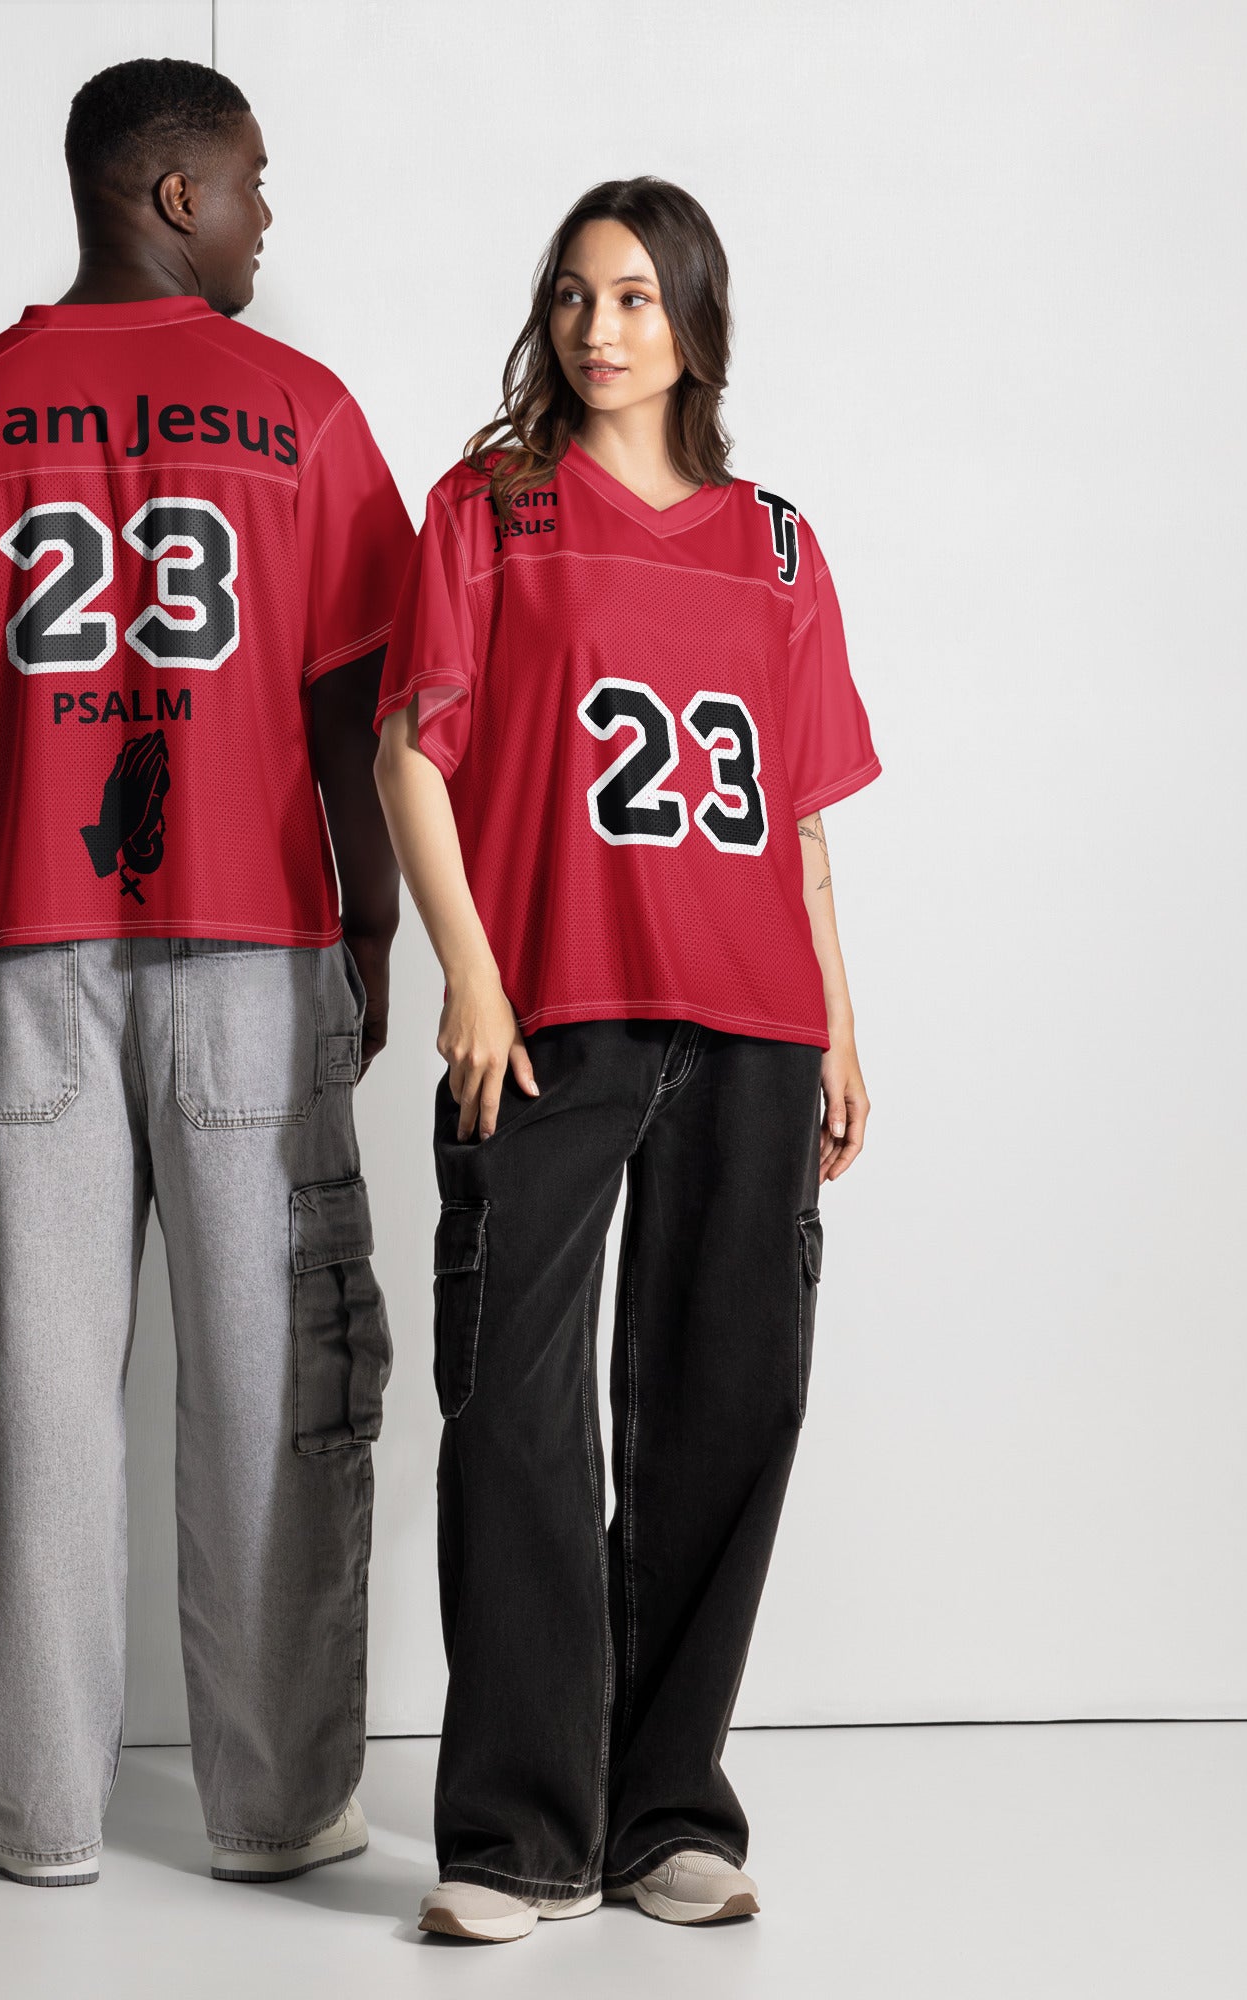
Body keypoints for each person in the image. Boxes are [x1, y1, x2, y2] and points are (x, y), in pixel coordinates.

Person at [0, 58, 415, 1888]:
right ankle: (279, 1807)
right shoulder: (303, 411)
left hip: (29, 959)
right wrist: (375, 916)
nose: (265, 218)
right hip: (257, 950)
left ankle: (35, 1811)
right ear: (174, 196)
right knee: (272, 1382)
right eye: (251, 183)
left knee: (30, 1387)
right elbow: (355, 706)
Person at [374, 176, 880, 1943]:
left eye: (640, 297)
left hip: (752, 1022)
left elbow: (799, 818)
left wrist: (839, 1021)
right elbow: (411, 752)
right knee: (517, 1414)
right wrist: (473, 973)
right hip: (552, 1018)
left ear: (696, 322)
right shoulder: (489, 509)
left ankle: (664, 1814)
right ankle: (518, 1836)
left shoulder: (779, 545)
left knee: (726, 1408)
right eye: (577, 295)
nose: (602, 329)